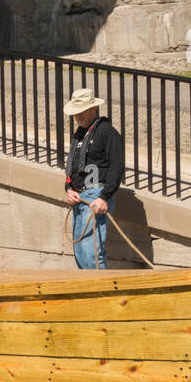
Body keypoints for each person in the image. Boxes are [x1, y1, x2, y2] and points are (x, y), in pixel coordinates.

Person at [63, 88, 125, 270]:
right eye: (76, 112)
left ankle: (101, 291)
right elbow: (72, 166)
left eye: (81, 111)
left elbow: (117, 167)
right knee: (80, 249)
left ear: (93, 109)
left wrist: (104, 197)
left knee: (92, 251)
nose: (78, 116)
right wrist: (69, 189)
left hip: (96, 194)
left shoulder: (107, 132)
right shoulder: (80, 134)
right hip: (79, 197)